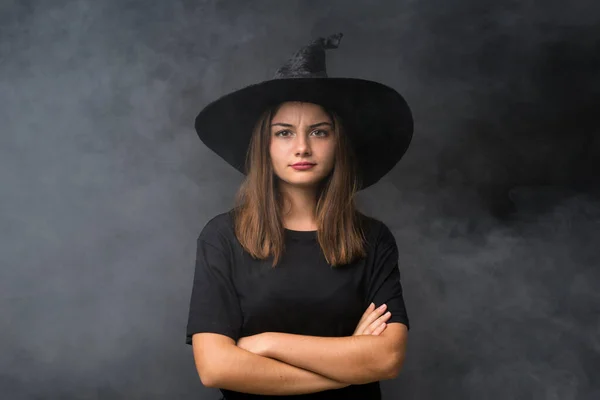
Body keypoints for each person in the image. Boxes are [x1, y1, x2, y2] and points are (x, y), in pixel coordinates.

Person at [186, 33, 413, 399]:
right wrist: (348, 368)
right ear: (266, 146)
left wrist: (268, 343)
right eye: (284, 133)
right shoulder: (223, 236)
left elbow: (387, 357)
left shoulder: (372, 239)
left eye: (319, 132)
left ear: (338, 142)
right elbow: (215, 368)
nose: (302, 147)